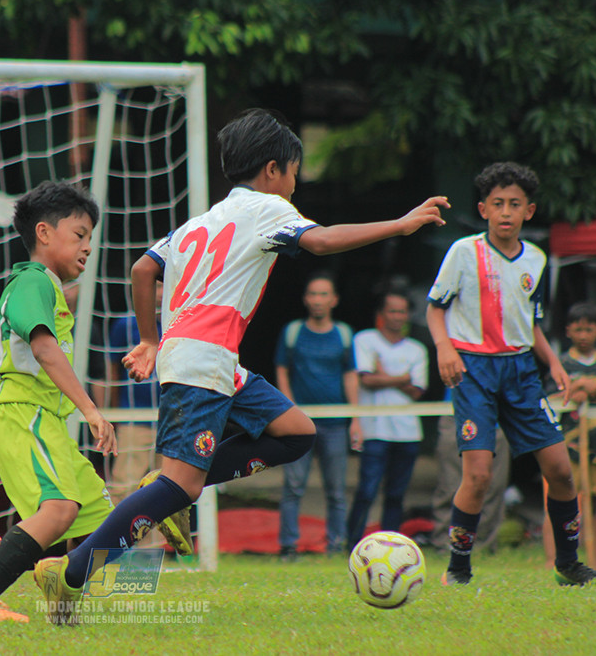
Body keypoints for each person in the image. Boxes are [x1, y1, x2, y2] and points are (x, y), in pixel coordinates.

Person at [28, 108, 448, 625]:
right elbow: (320, 240)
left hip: (212, 359)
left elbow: (143, 268)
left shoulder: (202, 221)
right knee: (178, 488)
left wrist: (149, 338)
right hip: (202, 360)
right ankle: (70, 574)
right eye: (295, 172)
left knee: (297, 433)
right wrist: (401, 224)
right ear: (273, 170)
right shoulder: (269, 208)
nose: (296, 186)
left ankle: (163, 488)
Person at [427, 161, 596, 587]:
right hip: (473, 370)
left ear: (529, 211)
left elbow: (530, 322)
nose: (506, 211)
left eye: (515, 204)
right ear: (483, 209)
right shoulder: (462, 252)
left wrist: (553, 362)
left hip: (521, 372)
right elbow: (435, 308)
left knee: (562, 472)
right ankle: (457, 569)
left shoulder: (537, 258)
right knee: (477, 475)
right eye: (497, 204)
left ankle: (568, 566)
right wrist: (444, 348)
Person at [0, 181, 118, 623]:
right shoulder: (34, 280)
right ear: (44, 233)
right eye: (79, 235)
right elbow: (43, 350)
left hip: (45, 422)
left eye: (90, 240)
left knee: (103, 521)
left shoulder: (42, 287)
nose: (87, 248)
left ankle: (53, 593)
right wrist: (91, 409)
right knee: (59, 510)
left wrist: (1, 347)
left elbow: (24, 340)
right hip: (26, 416)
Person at [275, 272, 359, 558]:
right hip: (300, 425)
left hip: (336, 424)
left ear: (334, 300)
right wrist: (289, 410)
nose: (318, 300)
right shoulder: (293, 331)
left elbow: (350, 375)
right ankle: (288, 546)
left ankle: (336, 546)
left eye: (324, 294)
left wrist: (355, 418)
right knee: (293, 487)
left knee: (336, 490)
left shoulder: (344, 334)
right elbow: (282, 370)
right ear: (305, 300)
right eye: (313, 294)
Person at [345, 290, 428, 550]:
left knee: (396, 494)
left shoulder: (417, 349)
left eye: (402, 311)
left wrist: (383, 375)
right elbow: (366, 380)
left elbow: (417, 391)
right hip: (374, 430)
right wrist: (402, 378)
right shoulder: (365, 339)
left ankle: (391, 548)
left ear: (408, 316)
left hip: (408, 433)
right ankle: (352, 544)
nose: (397, 316)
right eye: (392, 311)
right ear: (380, 315)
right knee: (367, 491)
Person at [542, 301, 596, 569]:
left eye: (589, 329)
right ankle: (552, 560)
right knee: (560, 498)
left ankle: (592, 558)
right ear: (568, 331)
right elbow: (546, 399)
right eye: (578, 330)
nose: (584, 335)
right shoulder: (561, 363)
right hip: (565, 442)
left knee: (593, 502)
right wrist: (573, 391)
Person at [430, 390, 510, 554]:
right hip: (457, 415)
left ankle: (484, 546)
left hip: (496, 418)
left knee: (493, 487)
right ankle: (446, 544)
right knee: (451, 485)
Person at [105, 284, 163, 504]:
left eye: (165, 286)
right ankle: (114, 538)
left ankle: (156, 541)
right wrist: (115, 415)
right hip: (134, 420)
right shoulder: (125, 325)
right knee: (124, 488)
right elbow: (112, 375)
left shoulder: (178, 324)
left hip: (171, 419)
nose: (159, 292)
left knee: (163, 493)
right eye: (155, 286)